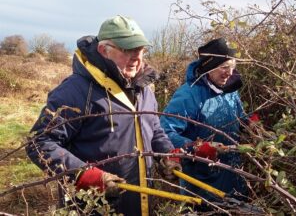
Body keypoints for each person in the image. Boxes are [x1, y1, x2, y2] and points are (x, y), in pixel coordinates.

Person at [26, 15, 180, 216]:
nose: (137, 57)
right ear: (103, 51)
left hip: (141, 204)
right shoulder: (75, 91)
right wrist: (83, 174)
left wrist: (166, 155)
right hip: (95, 207)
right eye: (127, 50)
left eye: (141, 50)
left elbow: (154, 130)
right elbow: (39, 142)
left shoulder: (144, 89)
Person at [160, 38, 249, 204]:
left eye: (232, 67)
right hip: (202, 183)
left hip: (234, 176)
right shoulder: (189, 95)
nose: (229, 73)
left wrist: (251, 123)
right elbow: (165, 130)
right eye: (224, 67)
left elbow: (240, 118)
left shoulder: (230, 90)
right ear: (209, 67)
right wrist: (197, 147)